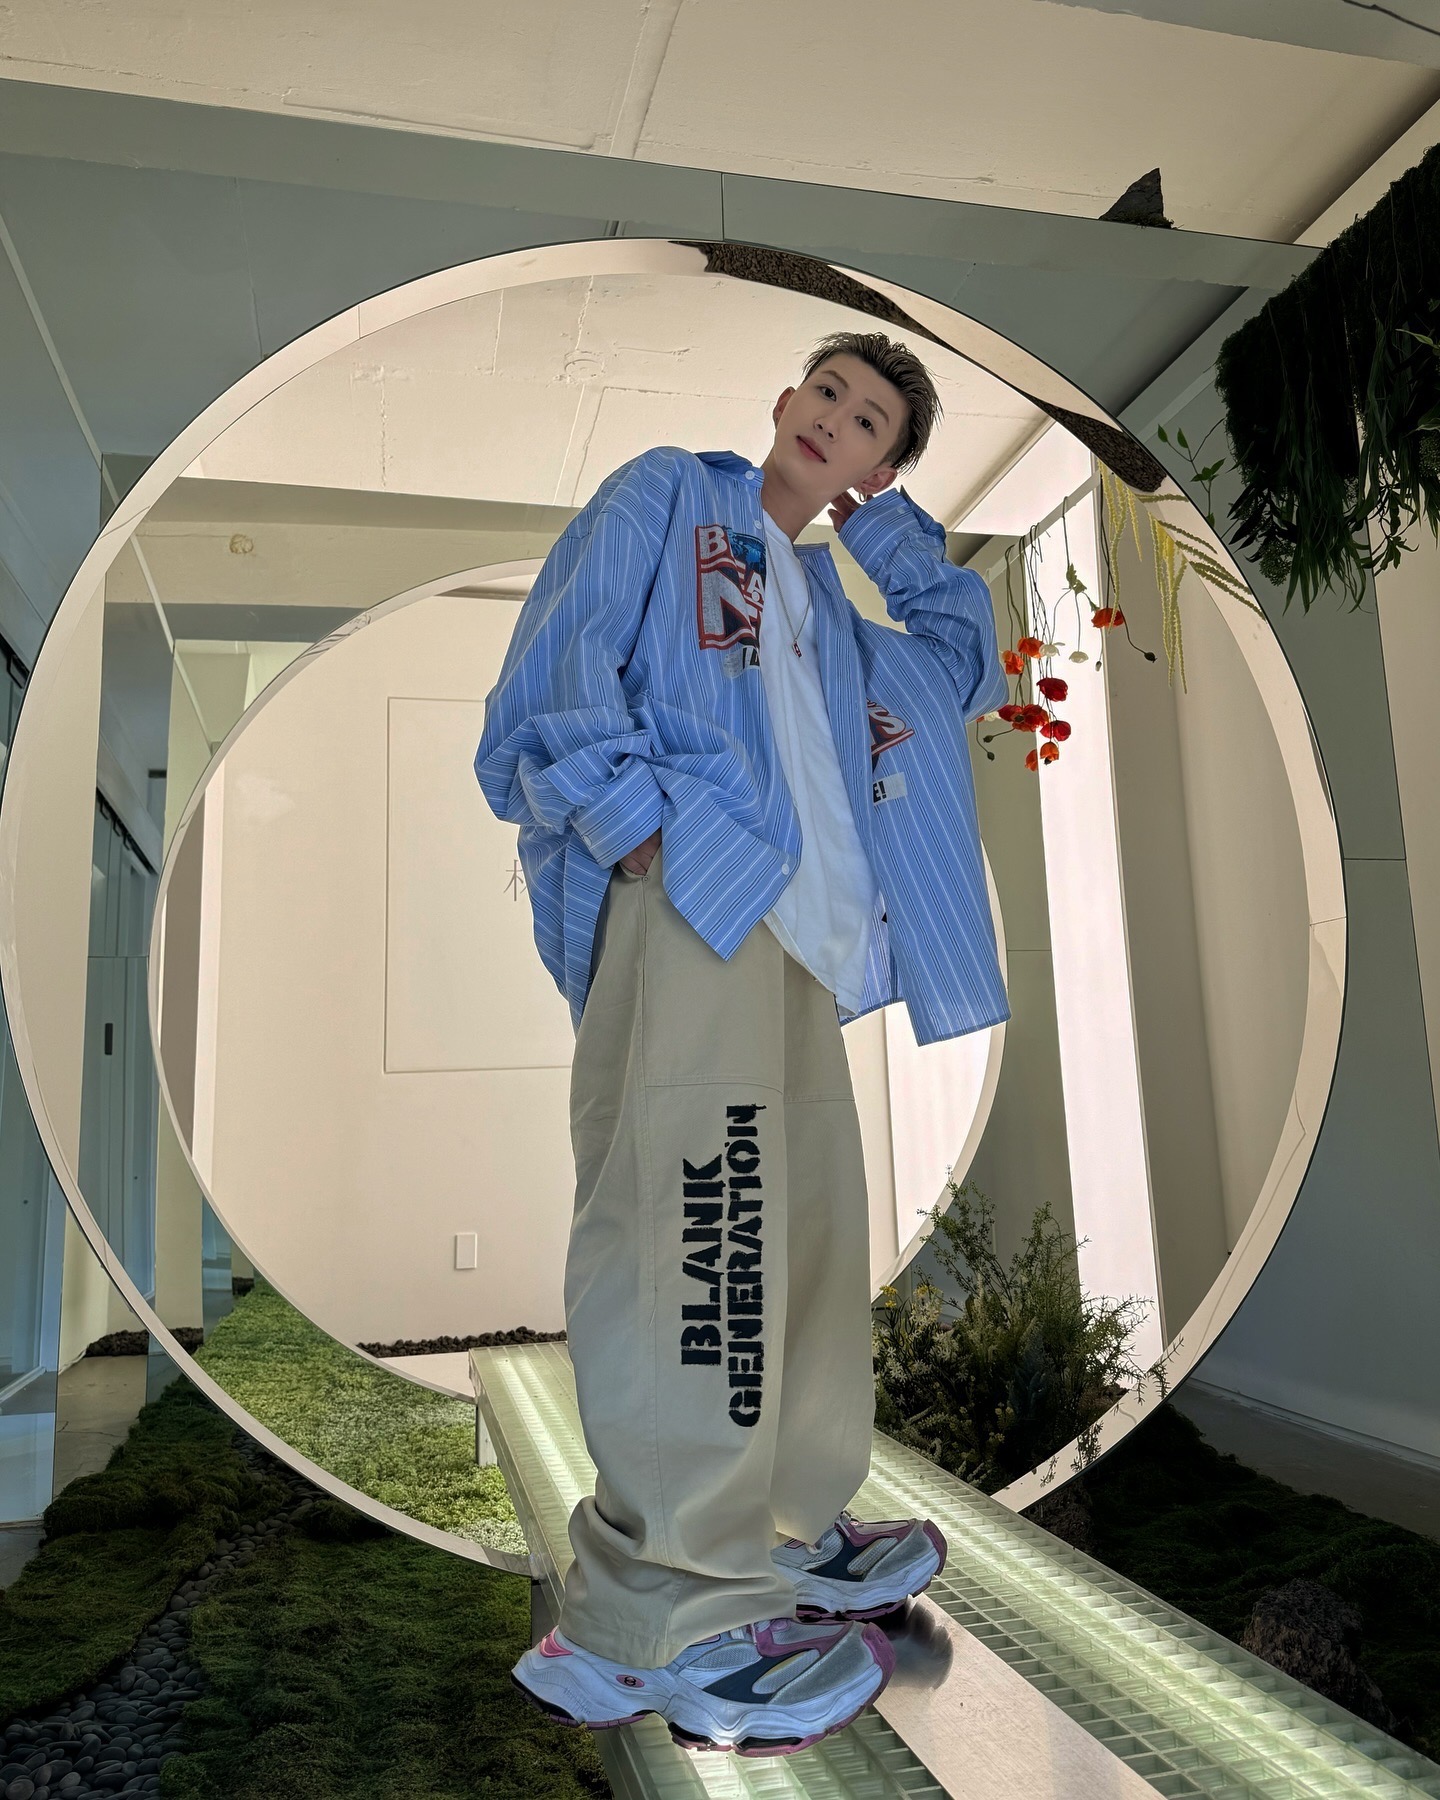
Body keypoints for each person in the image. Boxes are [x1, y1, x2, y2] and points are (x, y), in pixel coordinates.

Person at [474, 329, 1010, 1757]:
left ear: (880, 466)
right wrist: (632, 825)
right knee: (692, 1240)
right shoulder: (670, 493)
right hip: (696, 898)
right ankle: (664, 1614)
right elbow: (560, 663)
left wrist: (884, 535)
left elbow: (961, 664)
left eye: (871, 419)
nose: (836, 417)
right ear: (783, 403)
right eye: (826, 391)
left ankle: (783, 1523)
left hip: (803, 944)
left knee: (809, 1242)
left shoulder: (832, 607)